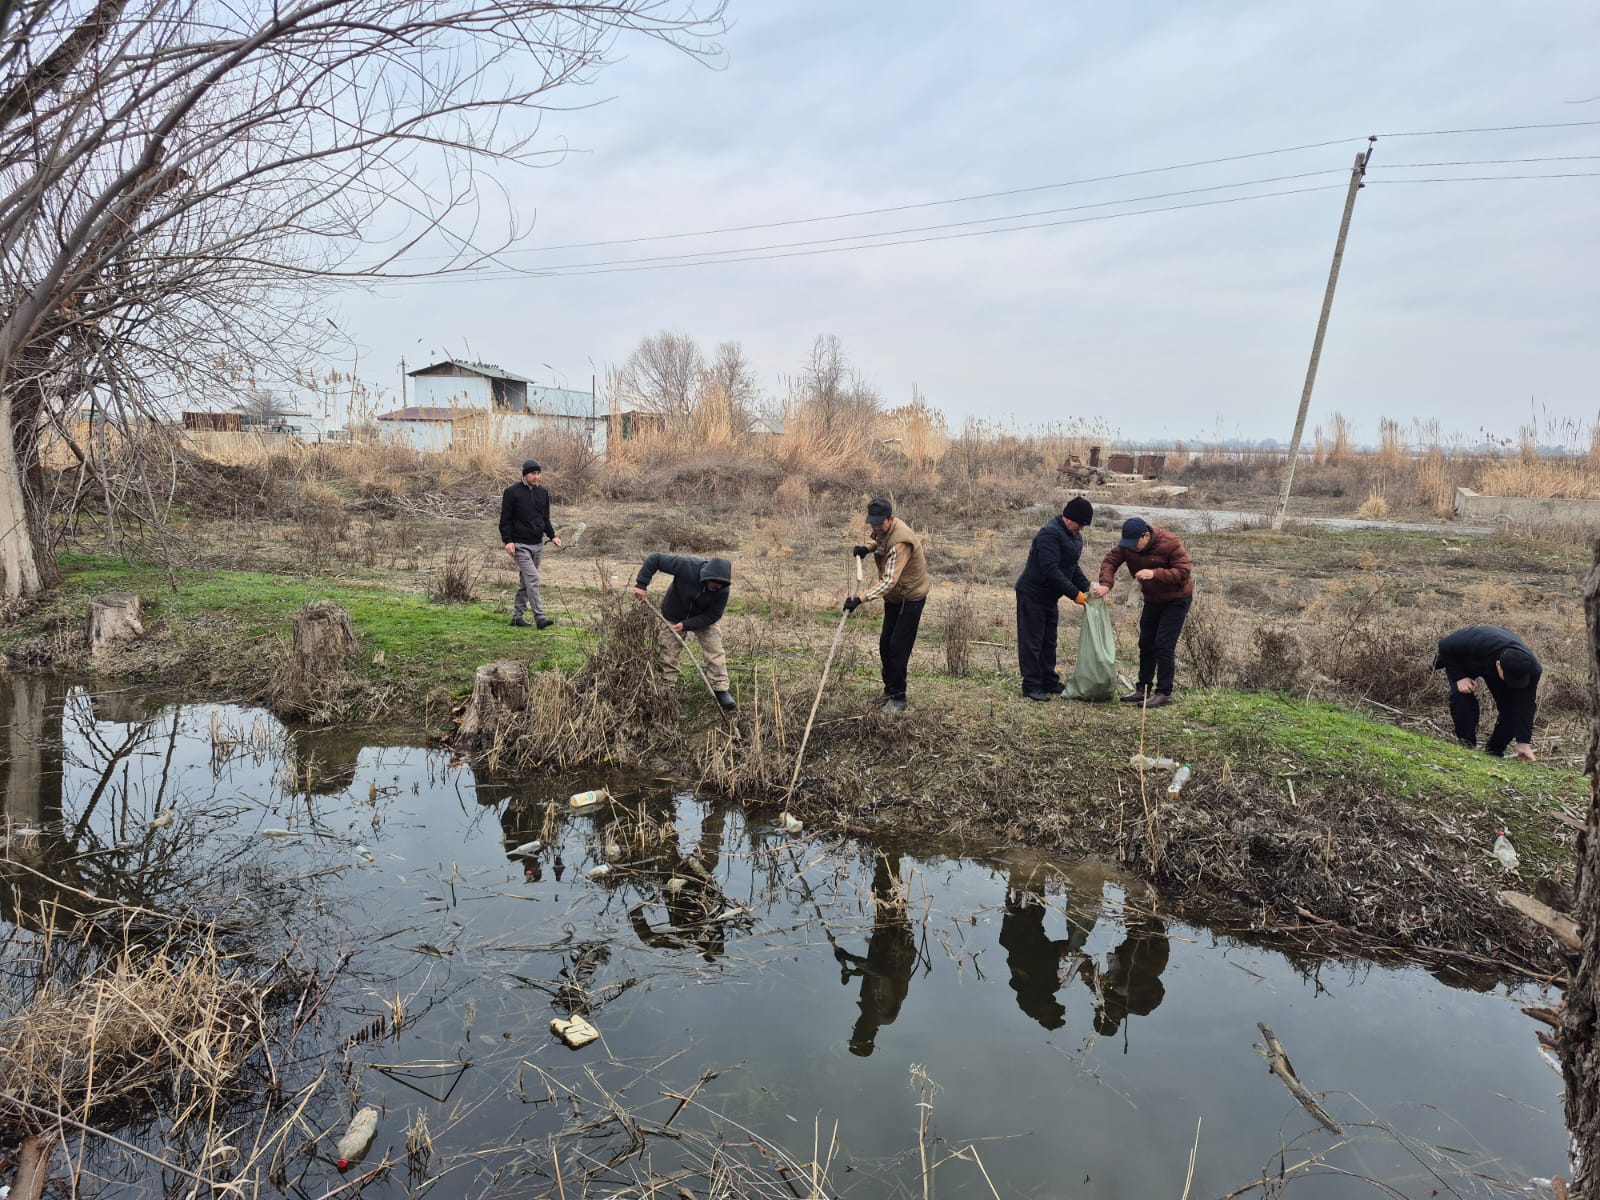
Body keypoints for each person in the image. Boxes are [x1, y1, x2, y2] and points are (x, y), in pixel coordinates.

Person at [1090, 516, 1193, 708]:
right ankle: (1142, 689)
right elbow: (1110, 561)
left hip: (1176, 599)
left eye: (1135, 544)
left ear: (1146, 535)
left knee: (1163, 645)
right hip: (1153, 599)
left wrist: (1155, 573)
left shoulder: (1170, 542)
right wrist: (1106, 584)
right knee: (1146, 642)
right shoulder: (1127, 545)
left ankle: (1164, 693)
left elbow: (1184, 571)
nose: (1131, 548)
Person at [843, 498, 930, 713]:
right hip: (894, 598)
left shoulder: (901, 542)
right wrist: (867, 548)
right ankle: (889, 691)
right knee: (885, 644)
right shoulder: (885, 530)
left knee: (897, 648)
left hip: (909, 598)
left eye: (879, 524)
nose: (875, 528)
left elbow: (889, 581)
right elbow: (881, 541)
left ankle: (899, 698)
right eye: (872, 524)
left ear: (890, 519)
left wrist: (860, 599)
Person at [1014, 497, 1094, 701]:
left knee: (1049, 641)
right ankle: (1031, 685)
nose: (1082, 529)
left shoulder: (1074, 536)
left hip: (1050, 597)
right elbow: (1051, 570)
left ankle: (1048, 680)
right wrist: (1075, 594)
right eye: (1081, 524)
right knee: (1032, 642)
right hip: (1032, 594)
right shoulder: (1049, 534)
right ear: (1069, 518)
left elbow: (1072, 567)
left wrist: (1087, 587)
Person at [633, 553, 737, 711]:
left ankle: (721, 690)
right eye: (714, 583)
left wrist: (687, 624)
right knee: (668, 653)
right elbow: (655, 559)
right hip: (673, 614)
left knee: (715, 652)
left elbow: (714, 615)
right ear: (706, 575)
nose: (717, 587)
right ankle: (667, 691)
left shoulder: (722, 589)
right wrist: (641, 585)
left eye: (720, 585)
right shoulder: (687, 566)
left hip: (703, 618)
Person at [1432, 626, 1541, 761]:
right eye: (1511, 679)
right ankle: (1467, 745)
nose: (1514, 683)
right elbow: (1444, 646)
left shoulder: (1533, 670)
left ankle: (1494, 752)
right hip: (1467, 660)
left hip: (1496, 669)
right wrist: (1460, 677)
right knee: (1461, 696)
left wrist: (1524, 742)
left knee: (1512, 709)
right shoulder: (1481, 641)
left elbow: (1525, 705)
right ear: (1499, 665)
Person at [499, 459, 561, 628]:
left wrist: (552, 536)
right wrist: (508, 541)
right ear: (525, 475)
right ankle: (540, 618)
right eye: (533, 473)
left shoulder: (543, 492)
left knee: (526, 581)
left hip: (537, 544)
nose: (536, 476)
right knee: (532, 578)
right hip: (519, 544)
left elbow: (545, 518)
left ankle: (517, 617)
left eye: (538, 473)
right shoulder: (512, 492)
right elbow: (505, 520)